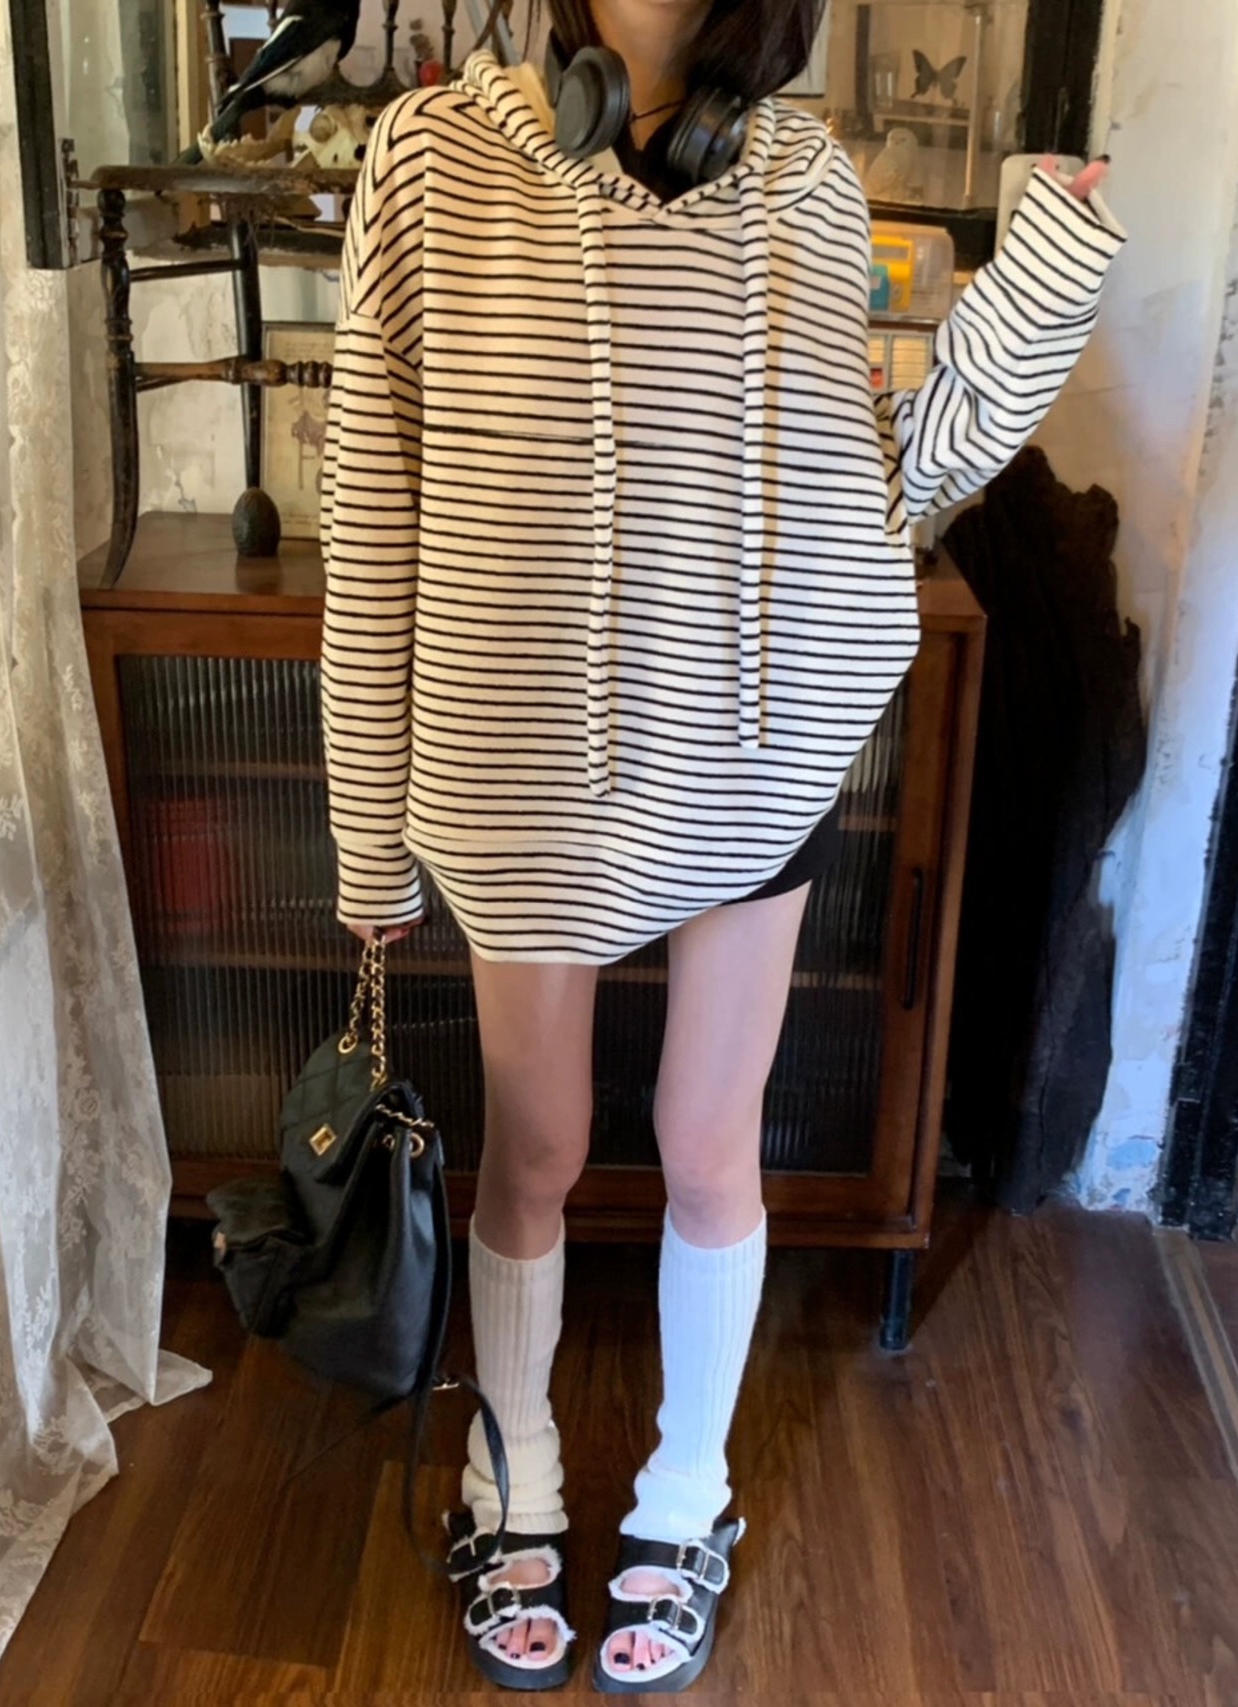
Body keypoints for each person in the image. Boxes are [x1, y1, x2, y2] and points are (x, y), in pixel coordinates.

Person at [319, 0, 1125, 1690]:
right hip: (520, 756)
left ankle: (688, 1495)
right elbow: (374, 511)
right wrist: (366, 838)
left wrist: (1032, 297)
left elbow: (876, 491)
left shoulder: (802, 180)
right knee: (534, 1147)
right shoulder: (430, 164)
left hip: (743, 752)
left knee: (707, 1142)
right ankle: (513, 1472)